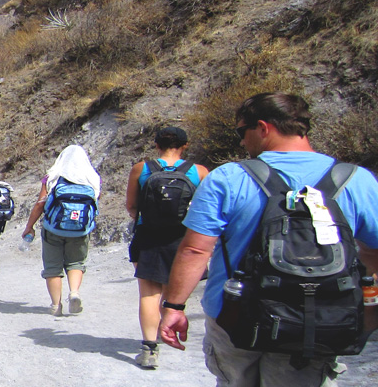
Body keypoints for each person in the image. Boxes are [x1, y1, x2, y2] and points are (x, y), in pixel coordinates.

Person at [158, 93, 378, 386]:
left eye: (241, 132)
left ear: (263, 127)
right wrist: (364, 304)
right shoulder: (356, 180)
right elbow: (373, 252)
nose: (240, 142)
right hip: (317, 317)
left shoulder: (228, 178)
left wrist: (174, 307)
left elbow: (196, 250)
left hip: (235, 313)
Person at [124, 126, 209, 369]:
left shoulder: (142, 168)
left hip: (148, 236)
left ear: (157, 145)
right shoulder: (199, 171)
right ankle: (166, 329)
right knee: (172, 291)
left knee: (149, 293)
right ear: (185, 145)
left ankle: (149, 349)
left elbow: (131, 206)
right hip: (183, 238)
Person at [22, 145, 101, 316]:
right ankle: (74, 293)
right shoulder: (92, 178)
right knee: (75, 263)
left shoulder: (52, 177)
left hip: (53, 229)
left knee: (52, 267)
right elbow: (94, 204)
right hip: (80, 230)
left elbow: (40, 203)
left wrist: (30, 226)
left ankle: (56, 305)